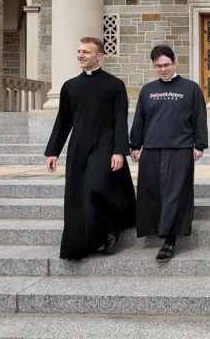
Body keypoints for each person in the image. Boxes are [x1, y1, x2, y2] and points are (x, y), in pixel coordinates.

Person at [45, 37, 136, 261]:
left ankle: (107, 231)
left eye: (86, 51)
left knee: (96, 187)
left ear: (99, 56)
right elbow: (63, 121)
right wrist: (53, 151)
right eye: (79, 51)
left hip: (106, 142)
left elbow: (120, 119)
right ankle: (81, 243)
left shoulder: (114, 85)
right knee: (78, 194)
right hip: (79, 146)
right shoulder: (70, 86)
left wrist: (119, 150)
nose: (81, 55)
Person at [129, 45, 208, 262]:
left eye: (166, 65)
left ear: (175, 63)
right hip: (152, 148)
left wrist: (199, 144)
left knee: (176, 193)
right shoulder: (148, 90)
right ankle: (156, 228)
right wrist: (135, 145)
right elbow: (140, 119)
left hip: (181, 148)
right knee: (152, 192)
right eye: (158, 66)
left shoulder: (190, 88)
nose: (163, 69)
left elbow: (199, 118)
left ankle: (170, 238)